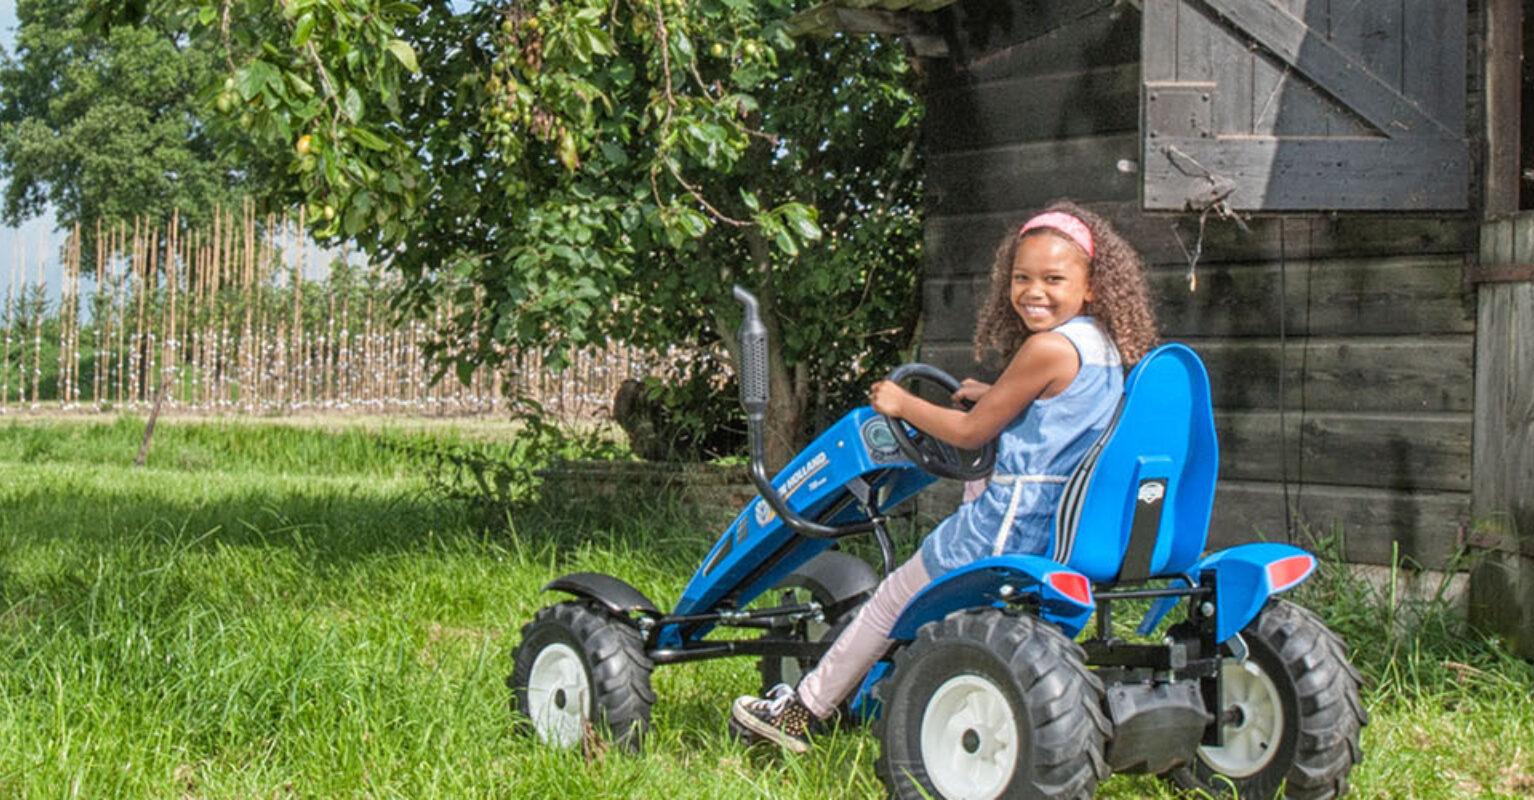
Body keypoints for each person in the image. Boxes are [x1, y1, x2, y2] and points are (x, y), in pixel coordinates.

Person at [729, 200, 1159, 753]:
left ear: (1091, 285)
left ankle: (801, 710)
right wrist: (996, 394)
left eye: (1054, 279)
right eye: (1021, 278)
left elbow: (968, 434)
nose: (1034, 291)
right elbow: (1062, 413)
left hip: (1007, 527)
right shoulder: (1099, 344)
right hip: (1059, 521)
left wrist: (902, 403)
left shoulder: (1045, 347)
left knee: (889, 600)